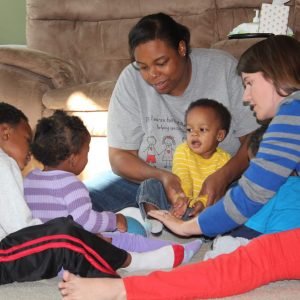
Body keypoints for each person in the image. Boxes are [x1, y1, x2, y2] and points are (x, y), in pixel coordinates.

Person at [58, 35, 300, 300]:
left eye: (249, 83)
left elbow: (251, 197)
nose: (246, 95)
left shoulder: (293, 110)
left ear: (274, 75)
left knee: (244, 264)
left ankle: (122, 290)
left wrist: (190, 227)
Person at [0, 102, 201, 285]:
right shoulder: (7, 164)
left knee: (78, 232)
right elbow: (24, 229)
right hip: (29, 255)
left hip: (34, 255)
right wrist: (103, 226)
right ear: (5, 132)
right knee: (107, 237)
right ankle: (151, 256)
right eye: (27, 138)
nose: (29, 146)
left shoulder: (30, 179)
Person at [85, 12, 259, 213]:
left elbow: (254, 140)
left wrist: (224, 177)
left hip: (221, 181)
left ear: (182, 48)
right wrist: (164, 177)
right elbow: (119, 156)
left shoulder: (223, 69)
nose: (152, 74)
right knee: (79, 199)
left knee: (264, 203)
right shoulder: (130, 79)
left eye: (161, 63)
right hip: (154, 180)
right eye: (143, 67)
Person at [24, 110, 202, 254]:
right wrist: (114, 219)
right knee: (124, 241)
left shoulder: (29, 180)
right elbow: (88, 222)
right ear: (72, 159)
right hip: (69, 250)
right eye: (87, 151)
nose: (88, 156)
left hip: (39, 250)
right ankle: (172, 252)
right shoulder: (72, 185)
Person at [138, 99, 232, 234]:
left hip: (202, 211)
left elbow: (217, 191)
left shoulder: (225, 160)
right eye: (189, 129)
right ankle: (155, 220)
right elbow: (182, 176)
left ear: (219, 135)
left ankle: (201, 231)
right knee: (149, 184)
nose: (194, 133)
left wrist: (202, 203)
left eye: (202, 129)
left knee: (230, 195)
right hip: (175, 205)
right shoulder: (182, 150)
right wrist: (180, 200)